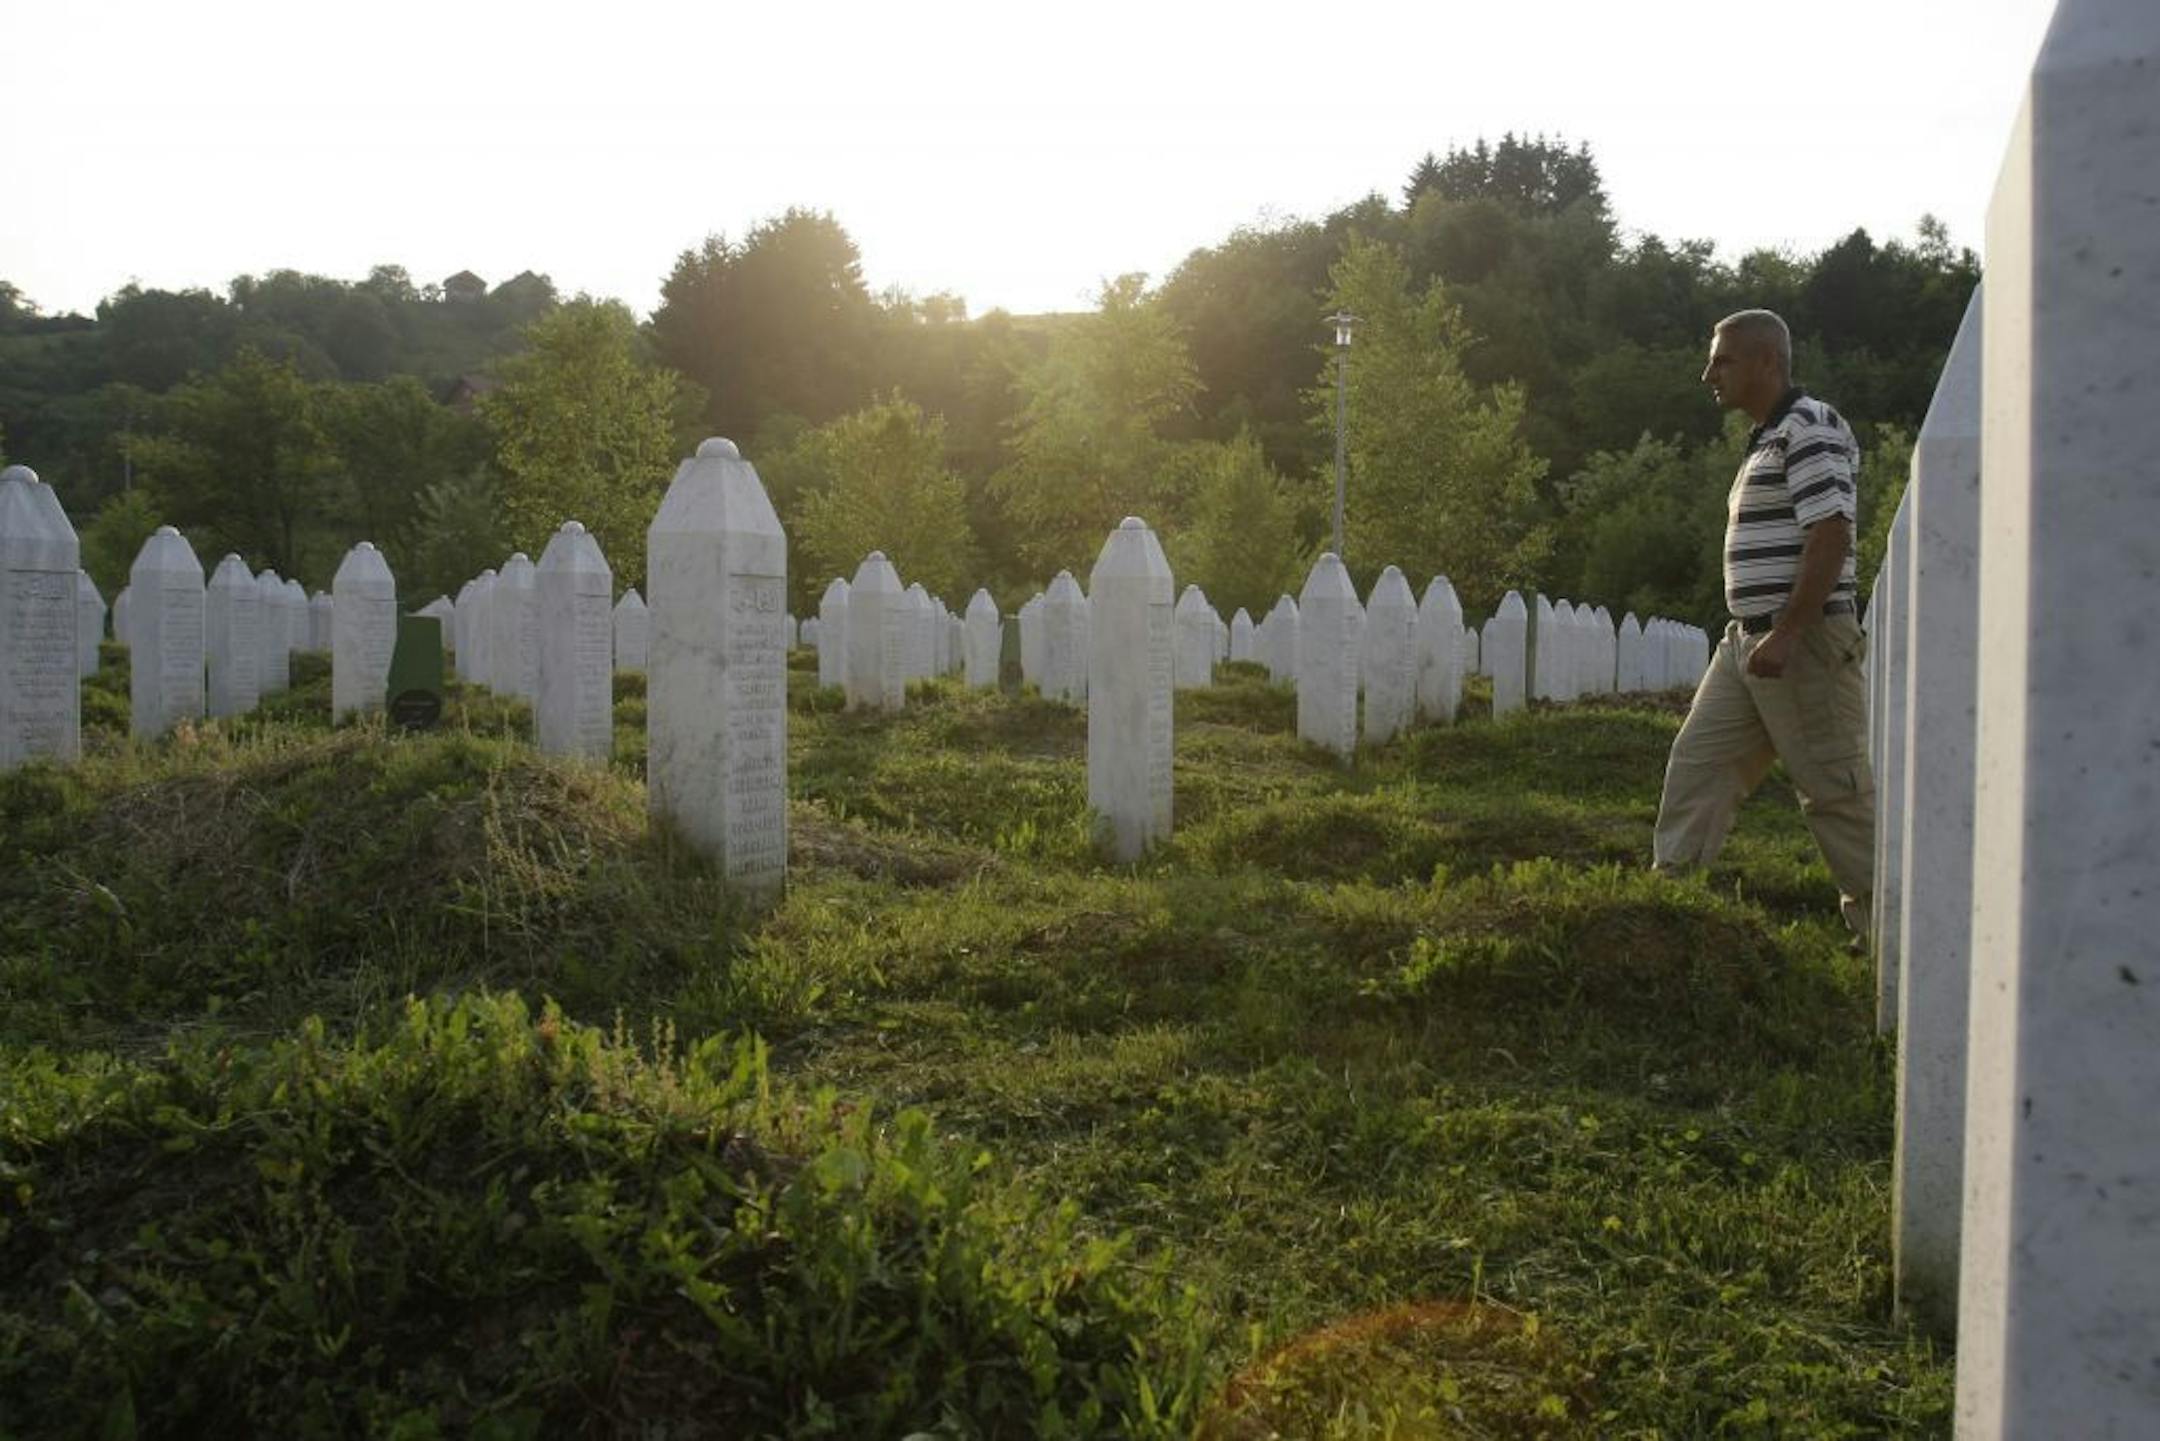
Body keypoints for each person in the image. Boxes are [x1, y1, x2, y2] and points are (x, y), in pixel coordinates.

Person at [1653, 309, 1874, 936]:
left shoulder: (1810, 426)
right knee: (1701, 765)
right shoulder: (1767, 438)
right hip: (1747, 641)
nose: (1708, 375)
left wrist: (1790, 631)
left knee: (1835, 790)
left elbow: (1830, 534)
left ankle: (1893, 940)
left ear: (1766, 362)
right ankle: (1669, 910)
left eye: (1722, 360)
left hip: (1799, 639)